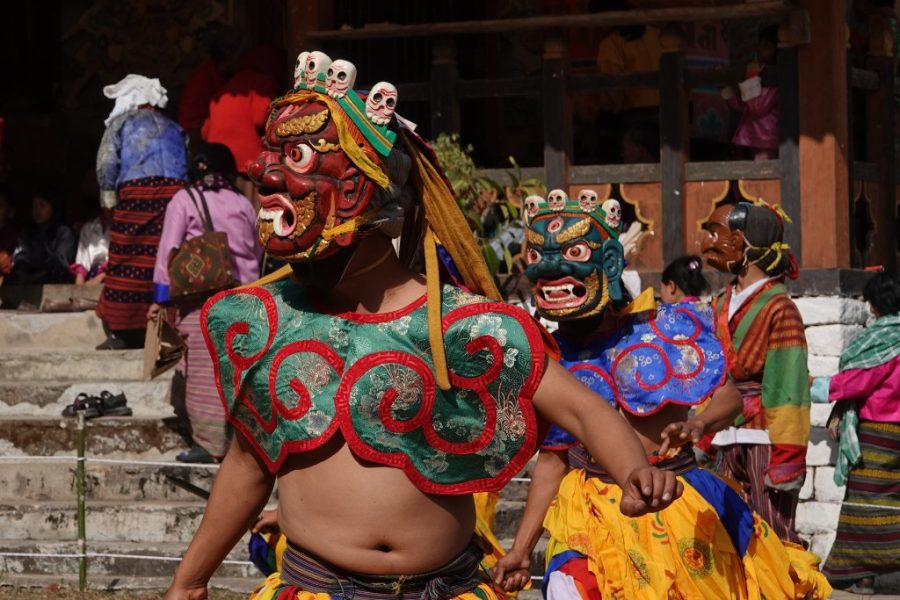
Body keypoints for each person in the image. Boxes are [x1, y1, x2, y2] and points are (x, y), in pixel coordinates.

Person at [164, 54, 682, 600]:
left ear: (366, 191)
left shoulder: (463, 326)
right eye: (272, 155)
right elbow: (247, 463)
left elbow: (580, 405)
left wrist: (632, 471)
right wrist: (190, 581)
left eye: (297, 157)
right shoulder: (272, 321)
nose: (265, 173)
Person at [493, 193, 830, 599]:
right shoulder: (553, 358)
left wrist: (699, 423)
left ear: (610, 265)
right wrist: (522, 549)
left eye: (573, 255)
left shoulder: (665, 328)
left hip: (675, 500)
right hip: (592, 513)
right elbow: (552, 458)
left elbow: (730, 397)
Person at [700, 199, 809, 543]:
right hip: (724, 431)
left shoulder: (780, 308)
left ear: (743, 243)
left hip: (765, 435)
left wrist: (787, 455)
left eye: (717, 234)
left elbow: (788, 384)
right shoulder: (719, 303)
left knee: (774, 535)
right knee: (725, 534)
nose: (709, 243)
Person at [149, 142, 262, 464]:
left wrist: (159, 298)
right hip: (244, 297)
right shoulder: (243, 203)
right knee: (231, 368)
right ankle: (238, 440)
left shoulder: (183, 200)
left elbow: (168, 251)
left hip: (202, 302)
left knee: (201, 371)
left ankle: (210, 444)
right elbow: (255, 251)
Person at [813, 271, 900, 595]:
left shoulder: (884, 340)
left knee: (863, 505)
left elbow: (859, 382)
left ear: (878, 303)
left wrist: (817, 387)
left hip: (878, 433)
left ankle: (861, 574)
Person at [95, 74, 188, 350]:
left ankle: (124, 331)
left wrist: (108, 201)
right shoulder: (175, 127)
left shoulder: (120, 124)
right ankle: (169, 324)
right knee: (168, 257)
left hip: (137, 195)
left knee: (128, 258)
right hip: (176, 195)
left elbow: (106, 163)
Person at [201, 44, 283, 206]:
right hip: (247, 162)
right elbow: (261, 118)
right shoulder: (261, 83)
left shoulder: (225, 89)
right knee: (253, 214)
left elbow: (205, 131)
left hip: (220, 161)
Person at [722, 26, 779, 161]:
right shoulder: (758, 70)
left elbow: (756, 107)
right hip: (753, 137)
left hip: (766, 139)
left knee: (763, 178)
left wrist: (751, 76)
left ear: (777, 50)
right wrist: (726, 91)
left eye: (766, 46)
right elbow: (745, 106)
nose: (759, 49)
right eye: (759, 45)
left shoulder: (776, 76)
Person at [8, 190, 76, 284]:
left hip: (49, 276)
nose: (37, 210)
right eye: (34, 206)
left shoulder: (64, 233)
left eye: (42, 206)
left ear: (54, 208)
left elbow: (61, 262)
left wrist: (33, 277)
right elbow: (20, 257)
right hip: (27, 275)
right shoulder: (27, 233)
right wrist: (23, 273)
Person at [70, 211, 110, 286]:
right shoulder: (89, 227)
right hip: (91, 276)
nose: (109, 210)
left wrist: (100, 277)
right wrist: (79, 288)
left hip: (113, 276)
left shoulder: (124, 228)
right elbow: (82, 261)